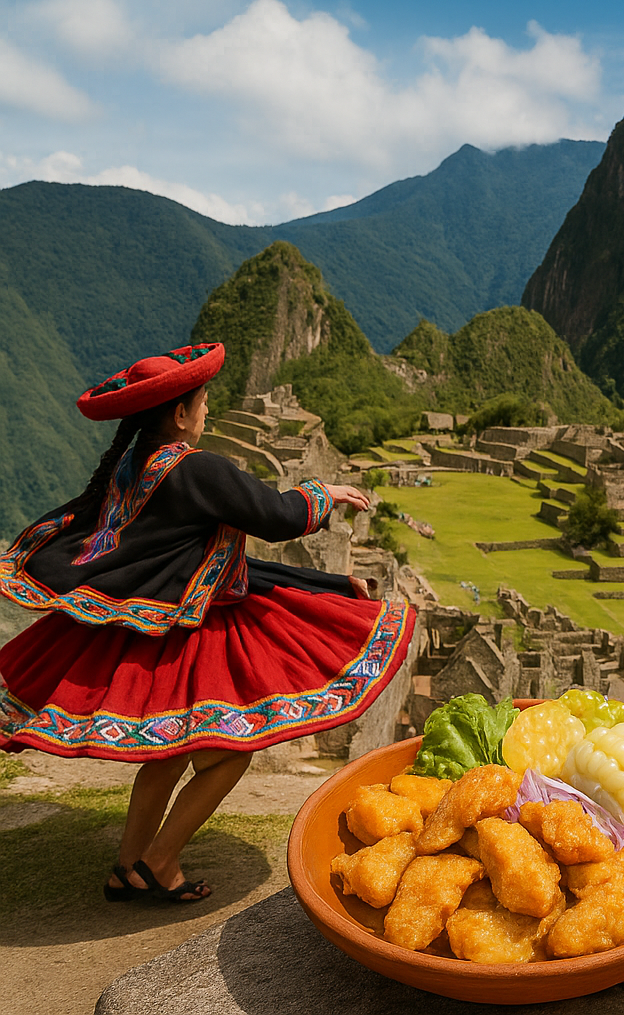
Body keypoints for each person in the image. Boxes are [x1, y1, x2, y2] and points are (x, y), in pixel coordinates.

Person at [0, 343, 416, 903]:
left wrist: (327, 586)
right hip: (187, 636)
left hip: (151, 629)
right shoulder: (198, 470)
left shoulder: (128, 467)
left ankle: (129, 865)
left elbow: (217, 560)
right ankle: (159, 862)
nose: (206, 414)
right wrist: (324, 495)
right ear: (178, 414)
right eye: (202, 404)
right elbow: (278, 516)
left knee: (169, 751)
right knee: (232, 750)